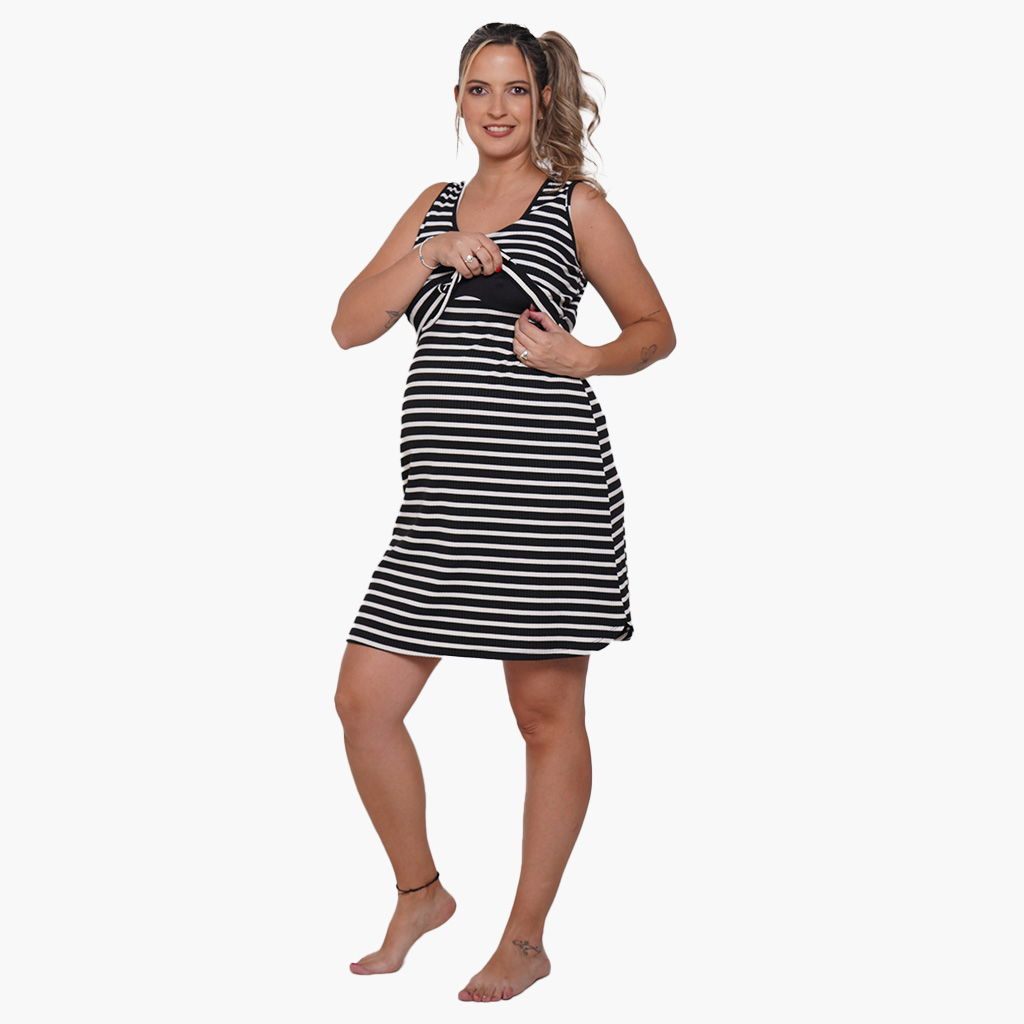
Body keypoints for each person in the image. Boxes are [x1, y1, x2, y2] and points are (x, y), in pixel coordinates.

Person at [331, 22, 675, 1002]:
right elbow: (349, 324)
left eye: (515, 89)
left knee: (545, 714)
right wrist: (431, 253)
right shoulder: (431, 205)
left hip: (546, 501)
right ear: (456, 98)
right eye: (478, 88)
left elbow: (655, 328)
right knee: (364, 703)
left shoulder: (576, 205)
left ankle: (524, 939)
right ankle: (421, 893)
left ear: (542, 100)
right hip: (439, 512)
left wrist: (587, 356)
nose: (495, 107)